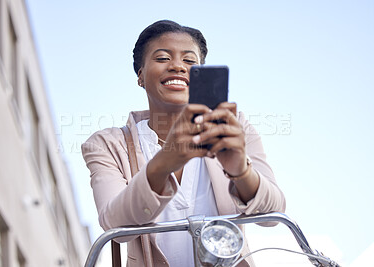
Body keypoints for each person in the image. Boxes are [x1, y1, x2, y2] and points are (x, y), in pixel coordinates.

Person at [82, 20, 286, 267]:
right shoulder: (106, 144)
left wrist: (240, 170)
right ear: (140, 76)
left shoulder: (235, 128)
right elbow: (115, 225)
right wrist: (163, 163)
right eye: (162, 58)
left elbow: (273, 215)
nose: (178, 66)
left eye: (190, 62)